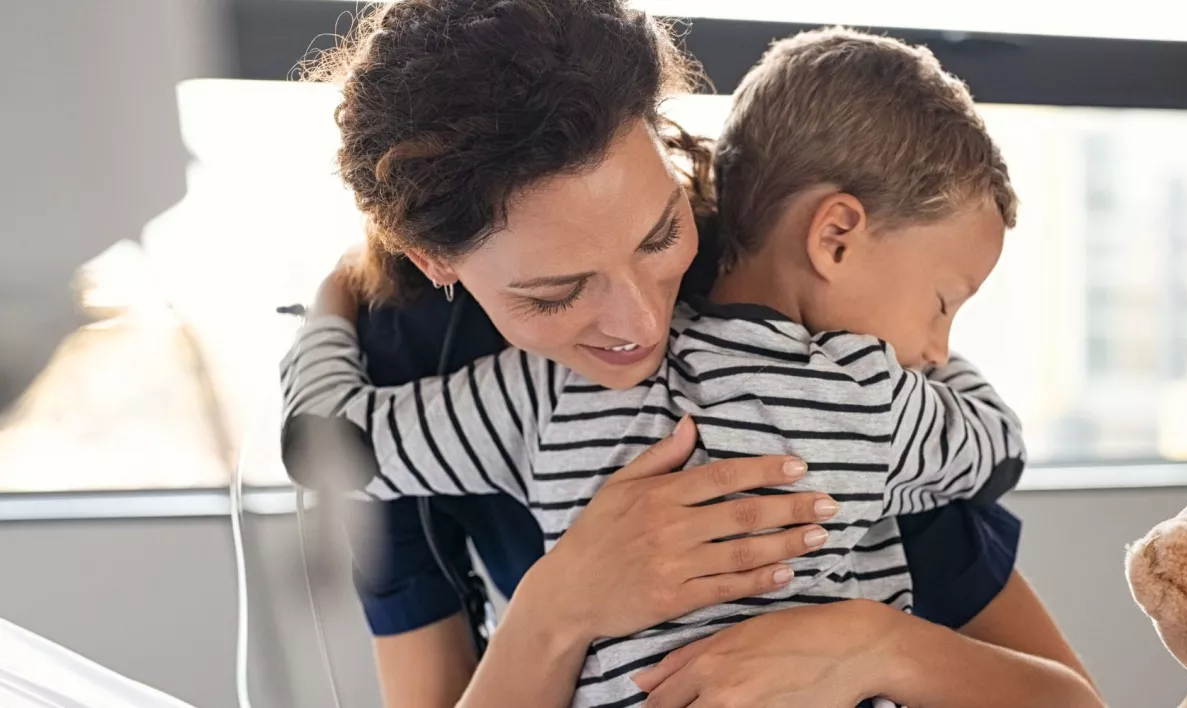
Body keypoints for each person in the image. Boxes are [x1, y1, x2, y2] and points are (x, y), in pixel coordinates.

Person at [288, 1, 1100, 706]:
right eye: (556, 292)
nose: (642, 322)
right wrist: (558, 607)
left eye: (659, 236)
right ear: (434, 261)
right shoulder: (410, 360)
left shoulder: (827, 340)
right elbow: (332, 442)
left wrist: (872, 644)